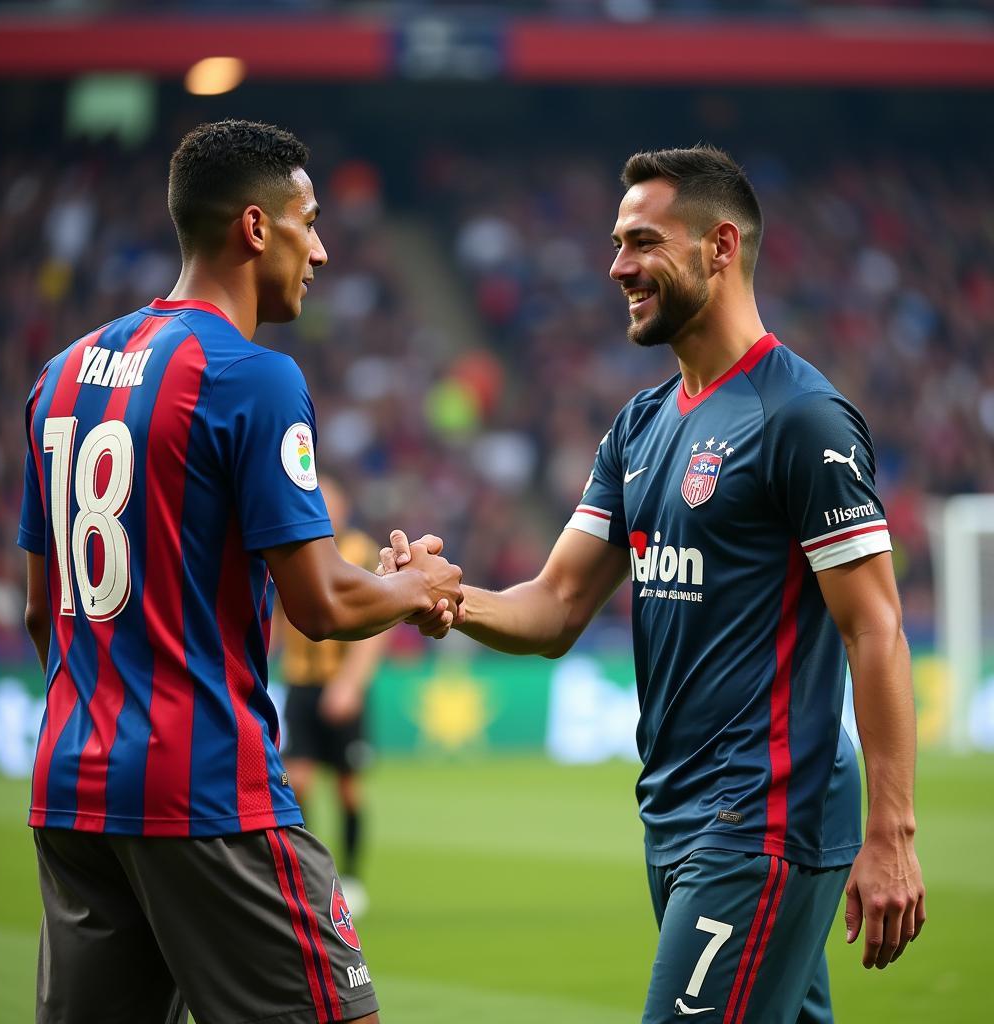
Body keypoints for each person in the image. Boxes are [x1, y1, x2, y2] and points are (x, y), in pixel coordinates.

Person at [383, 145, 925, 1023]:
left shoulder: (799, 418)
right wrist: (437, 596)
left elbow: (877, 629)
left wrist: (892, 833)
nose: (618, 267)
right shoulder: (640, 425)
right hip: (674, 811)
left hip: (760, 817)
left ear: (719, 246)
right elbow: (557, 605)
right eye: (615, 243)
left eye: (641, 242)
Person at [18, 119, 462, 1024]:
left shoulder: (58, 378)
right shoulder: (249, 375)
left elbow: (40, 615)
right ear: (256, 229)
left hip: (72, 791)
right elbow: (323, 602)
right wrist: (419, 587)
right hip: (206, 792)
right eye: (310, 222)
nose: (323, 250)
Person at [274, 475, 384, 916]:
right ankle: (316, 878)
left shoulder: (361, 552)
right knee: (296, 782)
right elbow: (278, 617)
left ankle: (353, 878)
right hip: (301, 683)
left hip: (343, 687)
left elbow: (376, 630)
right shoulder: (292, 551)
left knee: (347, 790)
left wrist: (350, 685)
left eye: (330, 503)